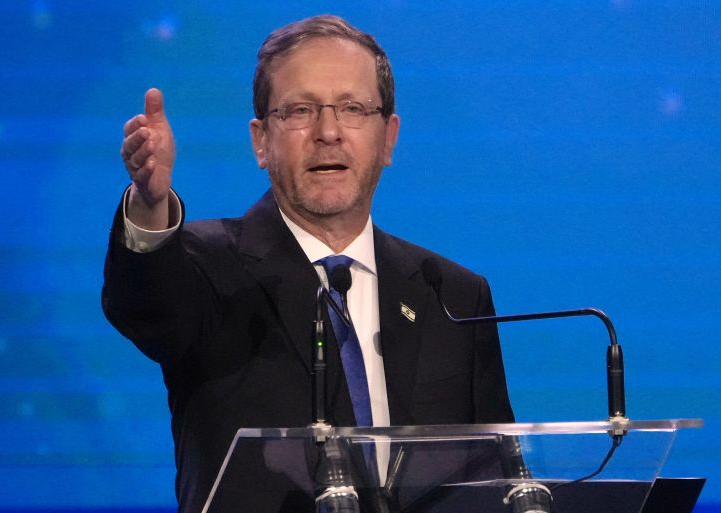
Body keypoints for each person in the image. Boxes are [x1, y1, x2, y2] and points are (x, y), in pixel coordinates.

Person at [103, 14, 513, 513]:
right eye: (299, 110)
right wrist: (150, 204)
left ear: (388, 138)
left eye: (353, 108)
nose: (328, 132)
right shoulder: (207, 265)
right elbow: (149, 306)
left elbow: (495, 479)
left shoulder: (452, 294)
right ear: (260, 140)